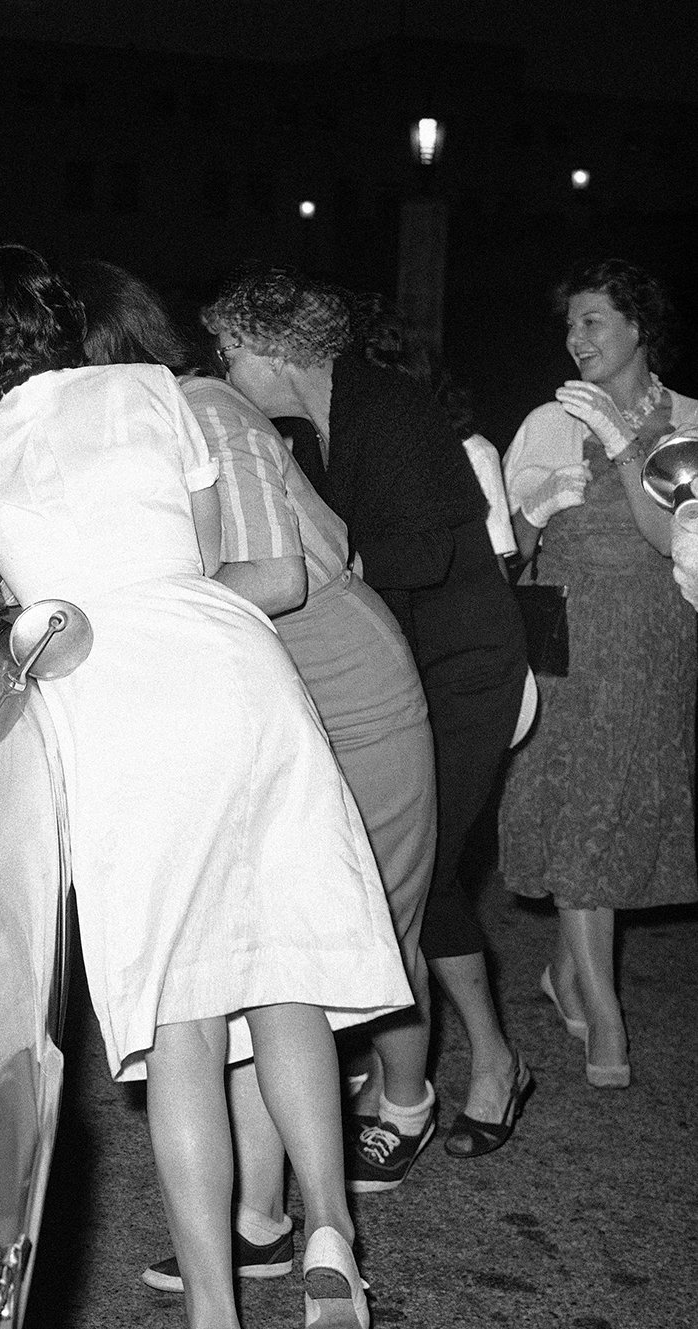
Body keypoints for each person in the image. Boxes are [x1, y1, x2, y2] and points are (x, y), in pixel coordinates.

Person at [0, 245, 415, 1329]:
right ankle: (329, 1233)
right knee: (285, 969)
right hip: (237, 669)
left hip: (116, 695)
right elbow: (191, 540)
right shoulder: (154, 393)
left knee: (183, 1016)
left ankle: (213, 1327)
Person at [63, 261, 434, 1297]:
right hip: (276, 696)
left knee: (308, 963)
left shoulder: (198, 407)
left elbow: (283, 570)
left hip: (344, 701)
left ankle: (296, 1208)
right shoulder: (156, 421)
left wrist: (122, 615)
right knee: (256, 973)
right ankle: (268, 1220)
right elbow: (324, 536)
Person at [204, 267, 532, 1187]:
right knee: (405, 875)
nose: (224, 370)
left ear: (272, 349)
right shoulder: (313, 425)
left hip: (462, 668)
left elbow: (418, 556)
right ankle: (420, 1066)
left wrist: (324, 549)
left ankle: (456, 1081)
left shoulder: (389, 410)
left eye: (231, 351)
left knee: (421, 880)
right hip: (408, 665)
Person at [500, 258, 698, 1088]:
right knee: (581, 795)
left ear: (638, 327)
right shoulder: (550, 420)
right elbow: (507, 541)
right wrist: (538, 504)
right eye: (571, 324)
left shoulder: (689, 418)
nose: (575, 340)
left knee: (624, 796)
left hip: (656, 636)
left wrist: (623, 452)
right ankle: (603, 1012)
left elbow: (674, 540)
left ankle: (565, 970)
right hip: (572, 629)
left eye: (593, 323)